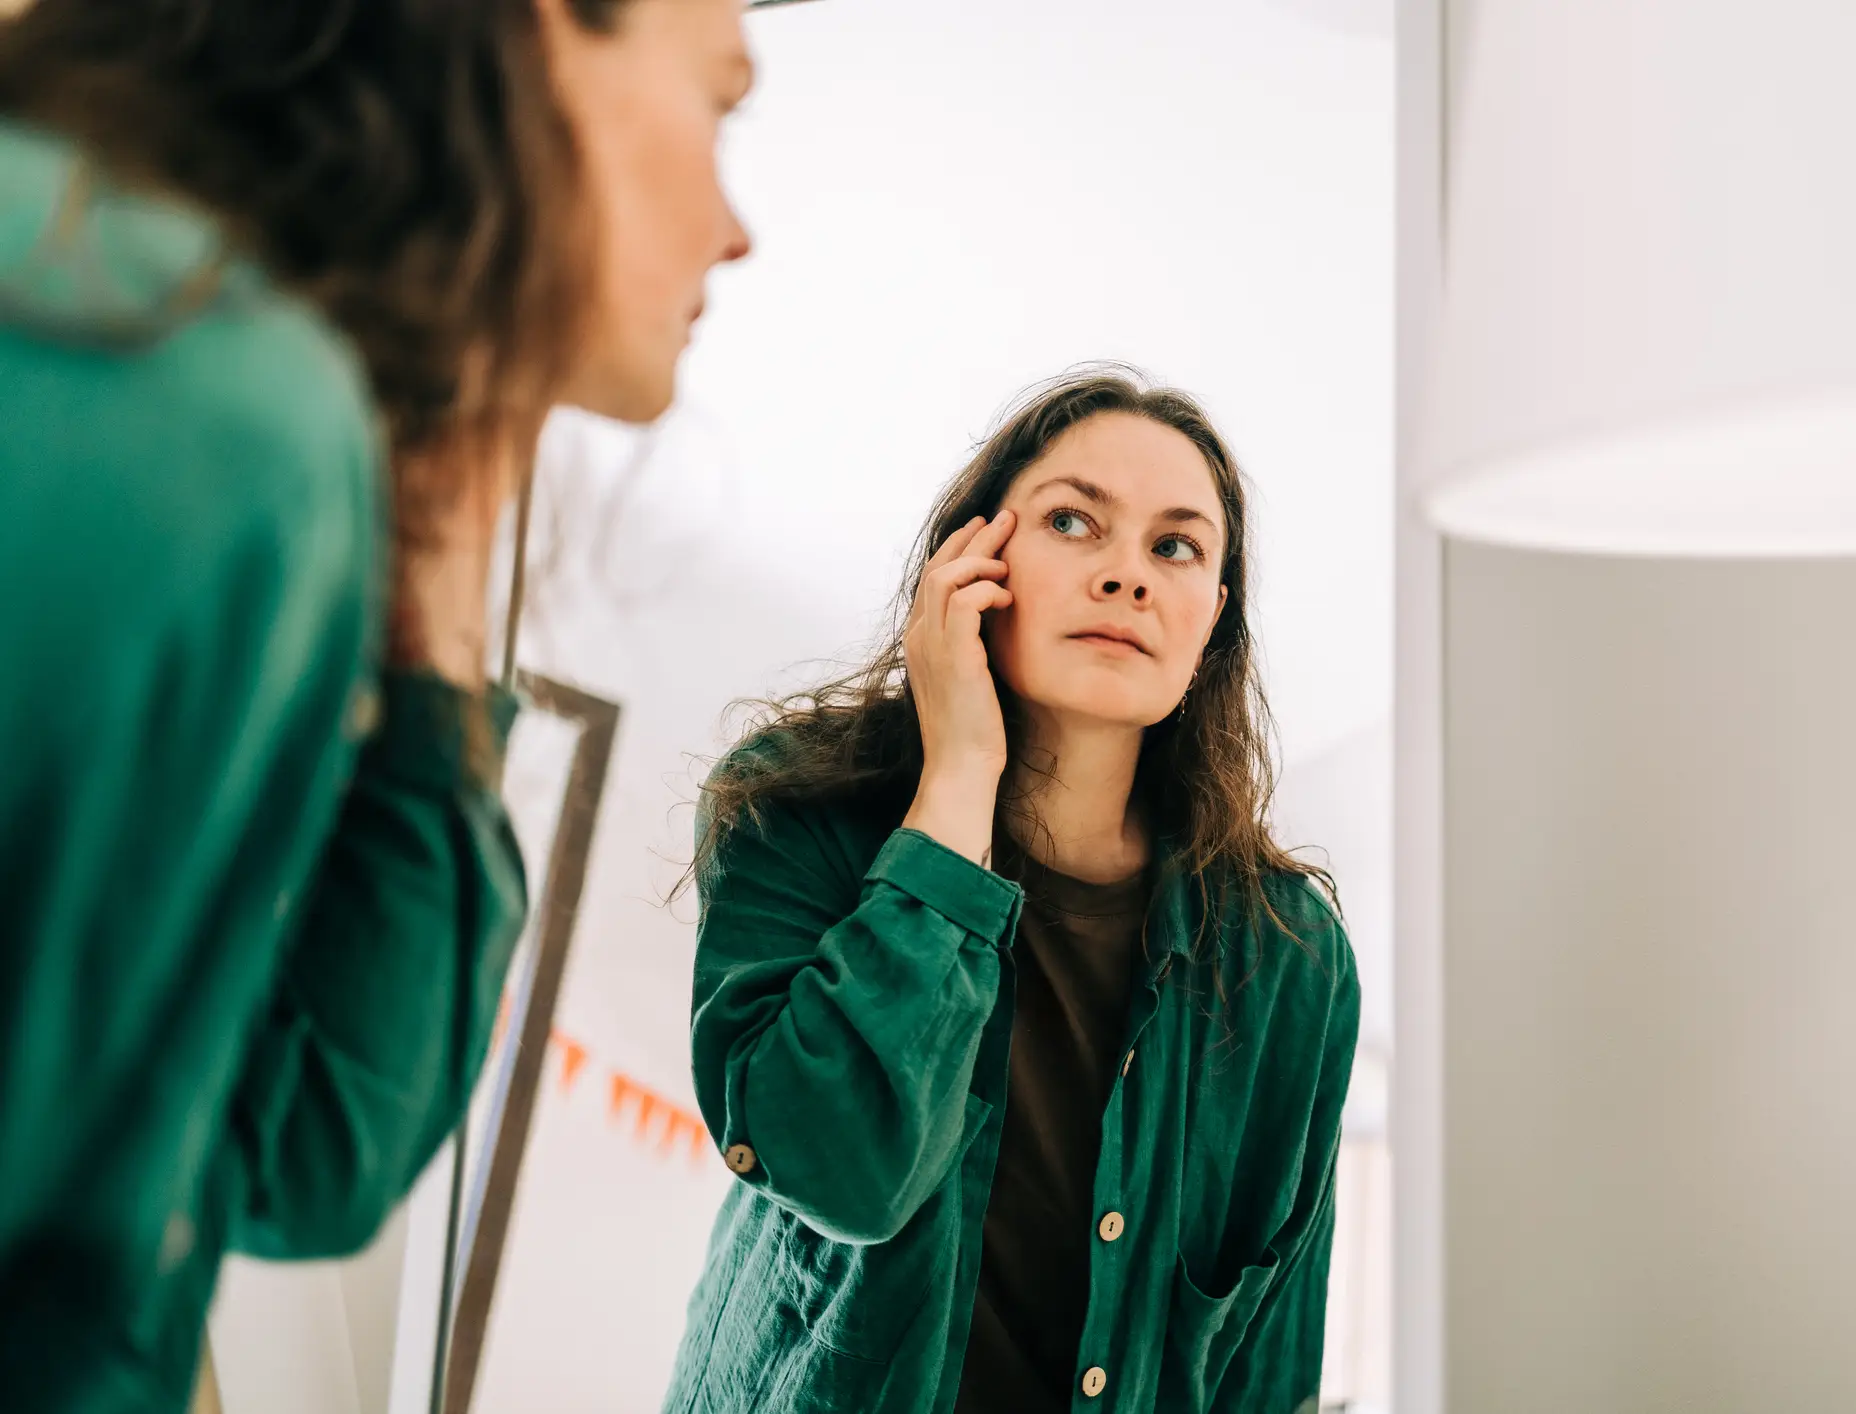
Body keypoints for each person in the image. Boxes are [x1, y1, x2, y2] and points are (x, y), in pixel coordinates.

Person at [0, 0, 752, 1407]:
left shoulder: (241, 394)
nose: (736, 229)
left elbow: (303, 1151)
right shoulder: (189, 395)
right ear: (538, 35)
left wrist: (449, 541)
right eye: (723, 102)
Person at [664, 367, 1361, 1414]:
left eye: (1175, 546)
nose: (1127, 575)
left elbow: (1267, 1373)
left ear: (1212, 619)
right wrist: (958, 779)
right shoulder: (795, 810)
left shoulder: (1290, 958)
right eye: (1075, 522)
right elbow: (844, 1171)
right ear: (974, 561)